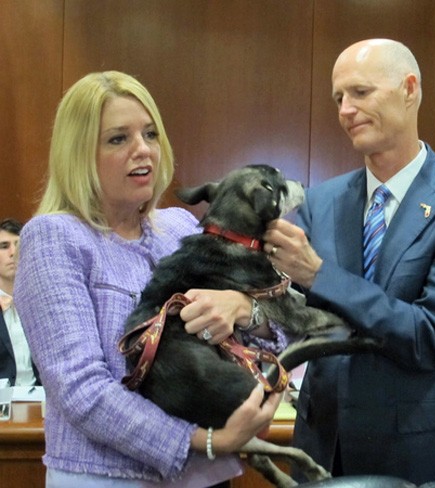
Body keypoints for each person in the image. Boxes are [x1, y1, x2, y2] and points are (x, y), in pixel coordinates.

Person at [13, 71, 284, 487]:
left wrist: (245, 310)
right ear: (79, 153)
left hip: (206, 474)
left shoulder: (179, 227)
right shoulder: (54, 237)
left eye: (151, 134)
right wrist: (202, 440)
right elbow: (82, 390)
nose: (143, 150)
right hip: (106, 476)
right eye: (118, 139)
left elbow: (276, 329)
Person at [262, 39, 435, 484]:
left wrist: (319, 274)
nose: (345, 110)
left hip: (418, 453)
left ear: (409, 89)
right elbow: (298, 317)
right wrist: (248, 309)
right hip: (322, 451)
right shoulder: (322, 201)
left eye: (360, 92)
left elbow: (428, 336)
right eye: (339, 98)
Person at [0, 218, 39, 386]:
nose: (13, 252)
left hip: (42, 401)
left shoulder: (41, 301)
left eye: (18, 244)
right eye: (4, 246)